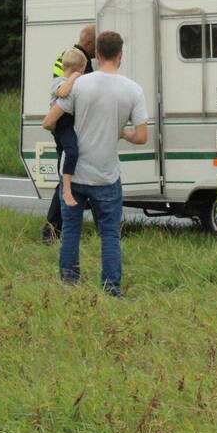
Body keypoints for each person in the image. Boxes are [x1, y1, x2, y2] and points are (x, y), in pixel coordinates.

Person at [42, 30, 148, 297]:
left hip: (74, 175)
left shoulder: (80, 85)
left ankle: (69, 285)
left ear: (97, 55)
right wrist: (121, 132)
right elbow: (142, 137)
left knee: (71, 233)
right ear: (120, 56)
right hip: (107, 176)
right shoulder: (133, 90)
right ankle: (111, 288)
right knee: (110, 235)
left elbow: (50, 119)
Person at [43, 25, 96, 241]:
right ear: (89, 43)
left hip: (73, 126)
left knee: (72, 175)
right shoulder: (70, 59)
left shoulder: (83, 58)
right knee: (66, 174)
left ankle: (57, 228)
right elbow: (64, 94)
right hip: (64, 124)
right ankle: (52, 230)